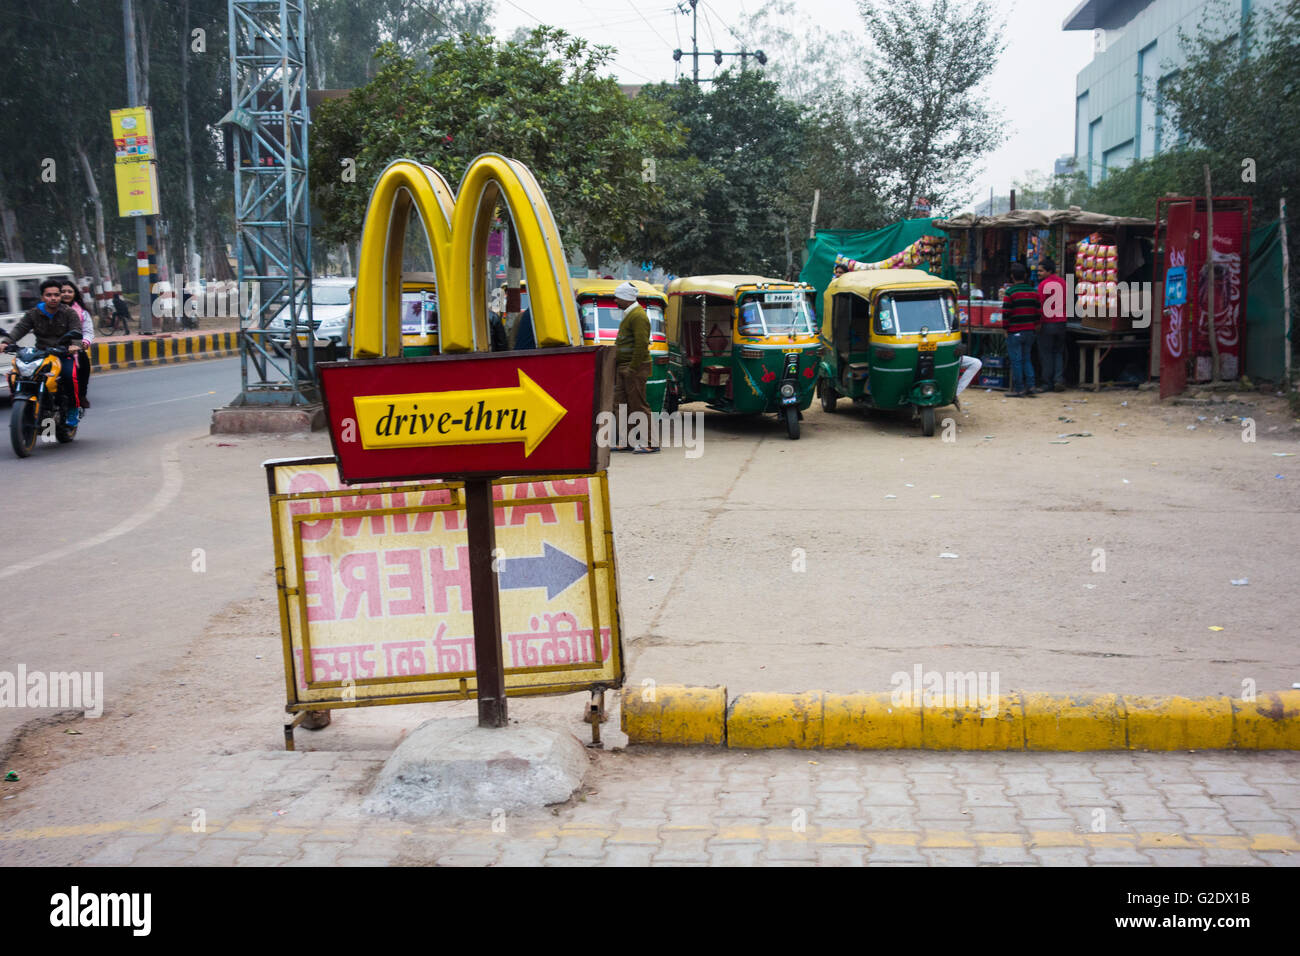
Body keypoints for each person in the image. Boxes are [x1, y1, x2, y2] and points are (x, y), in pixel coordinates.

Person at [1, 278, 84, 425]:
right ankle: (25, 406)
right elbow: (20, 329)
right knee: (17, 375)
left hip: (62, 354)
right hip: (41, 354)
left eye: (56, 295)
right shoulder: (33, 313)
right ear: (42, 297)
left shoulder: (69, 313)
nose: (53, 298)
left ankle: (73, 408)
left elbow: (76, 330)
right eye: (49, 295)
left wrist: (75, 345)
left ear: (60, 296)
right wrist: (6, 342)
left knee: (69, 376)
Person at [611, 281, 656, 453]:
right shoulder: (629, 314)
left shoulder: (638, 315)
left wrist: (632, 368)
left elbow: (641, 344)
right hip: (623, 367)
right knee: (620, 405)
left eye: (618, 297)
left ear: (626, 298)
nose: (615, 301)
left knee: (639, 405)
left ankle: (650, 442)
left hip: (634, 368)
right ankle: (625, 440)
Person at [1001, 261, 1041, 398]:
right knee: (1026, 359)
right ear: (1025, 275)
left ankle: (1019, 389)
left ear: (1012, 276)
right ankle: (1031, 386)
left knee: (1016, 361)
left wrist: (1005, 329)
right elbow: (1038, 312)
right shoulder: (1034, 292)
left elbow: (1006, 313)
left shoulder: (1010, 292)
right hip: (1030, 330)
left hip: (1015, 331)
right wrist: (1035, 326)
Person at [1036, 256, 1068, 392]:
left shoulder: (1043, 285)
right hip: (1061, 323)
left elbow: (1039, 305)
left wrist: (1038, 323)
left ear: (1049, 271)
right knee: (1058, 353)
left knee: (1046, 354)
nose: (1038, 273)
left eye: (1041, 271)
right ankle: (1058, 379)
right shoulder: (1063, 283)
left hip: (1048, 323)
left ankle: (1046, 383)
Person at [60, 280, 93, 409]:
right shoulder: (51, 310)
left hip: (75, 349)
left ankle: (80, 398)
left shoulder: (82, 312)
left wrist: (83, 343)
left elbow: (88, 332)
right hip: (54, 349)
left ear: (75, 294)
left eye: (70, 291)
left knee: (84, 368)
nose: (66, 294)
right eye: (63, 292)